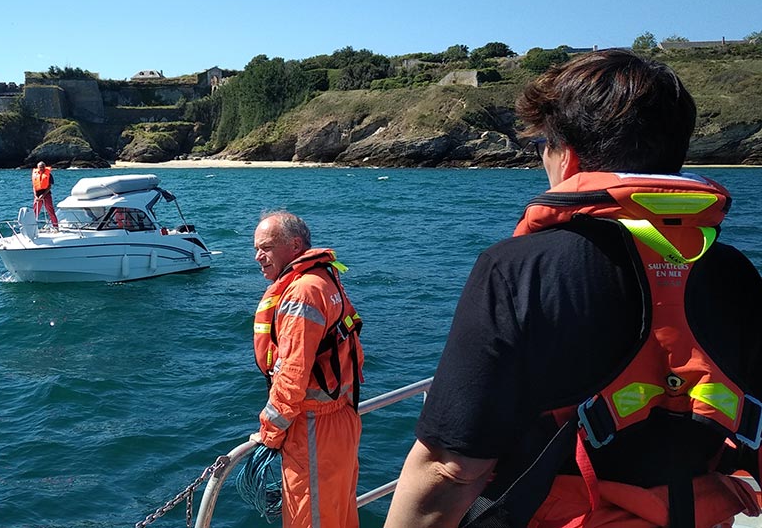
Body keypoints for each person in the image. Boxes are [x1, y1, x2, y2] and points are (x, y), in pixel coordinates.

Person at [385, 49, 762, 528]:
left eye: (543, 142)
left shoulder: (517, 270)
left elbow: (449, 469)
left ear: (568, 155)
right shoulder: (736, 272)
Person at [251, 211, 365, 528]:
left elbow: (292, 374)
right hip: (342, 420)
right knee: (340, 515)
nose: (258, 257)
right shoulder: (324, 280)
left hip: (314, 427)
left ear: (295, 245)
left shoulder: (301, 292)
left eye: (267, 247)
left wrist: (270, 434)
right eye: (256, 248)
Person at [31, 161, 59, 230]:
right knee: (34, 212)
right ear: (38, 167)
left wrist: (43, 195)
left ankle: (56, 227)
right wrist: (35, 196)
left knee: (50, 211)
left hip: (46, 194)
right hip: (37, 195)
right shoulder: (35, 174)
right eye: (40, 167)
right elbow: (34, 186)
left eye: (43, 167)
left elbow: (49, 186)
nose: (42, 168)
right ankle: (32, 228)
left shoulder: (49, 175)